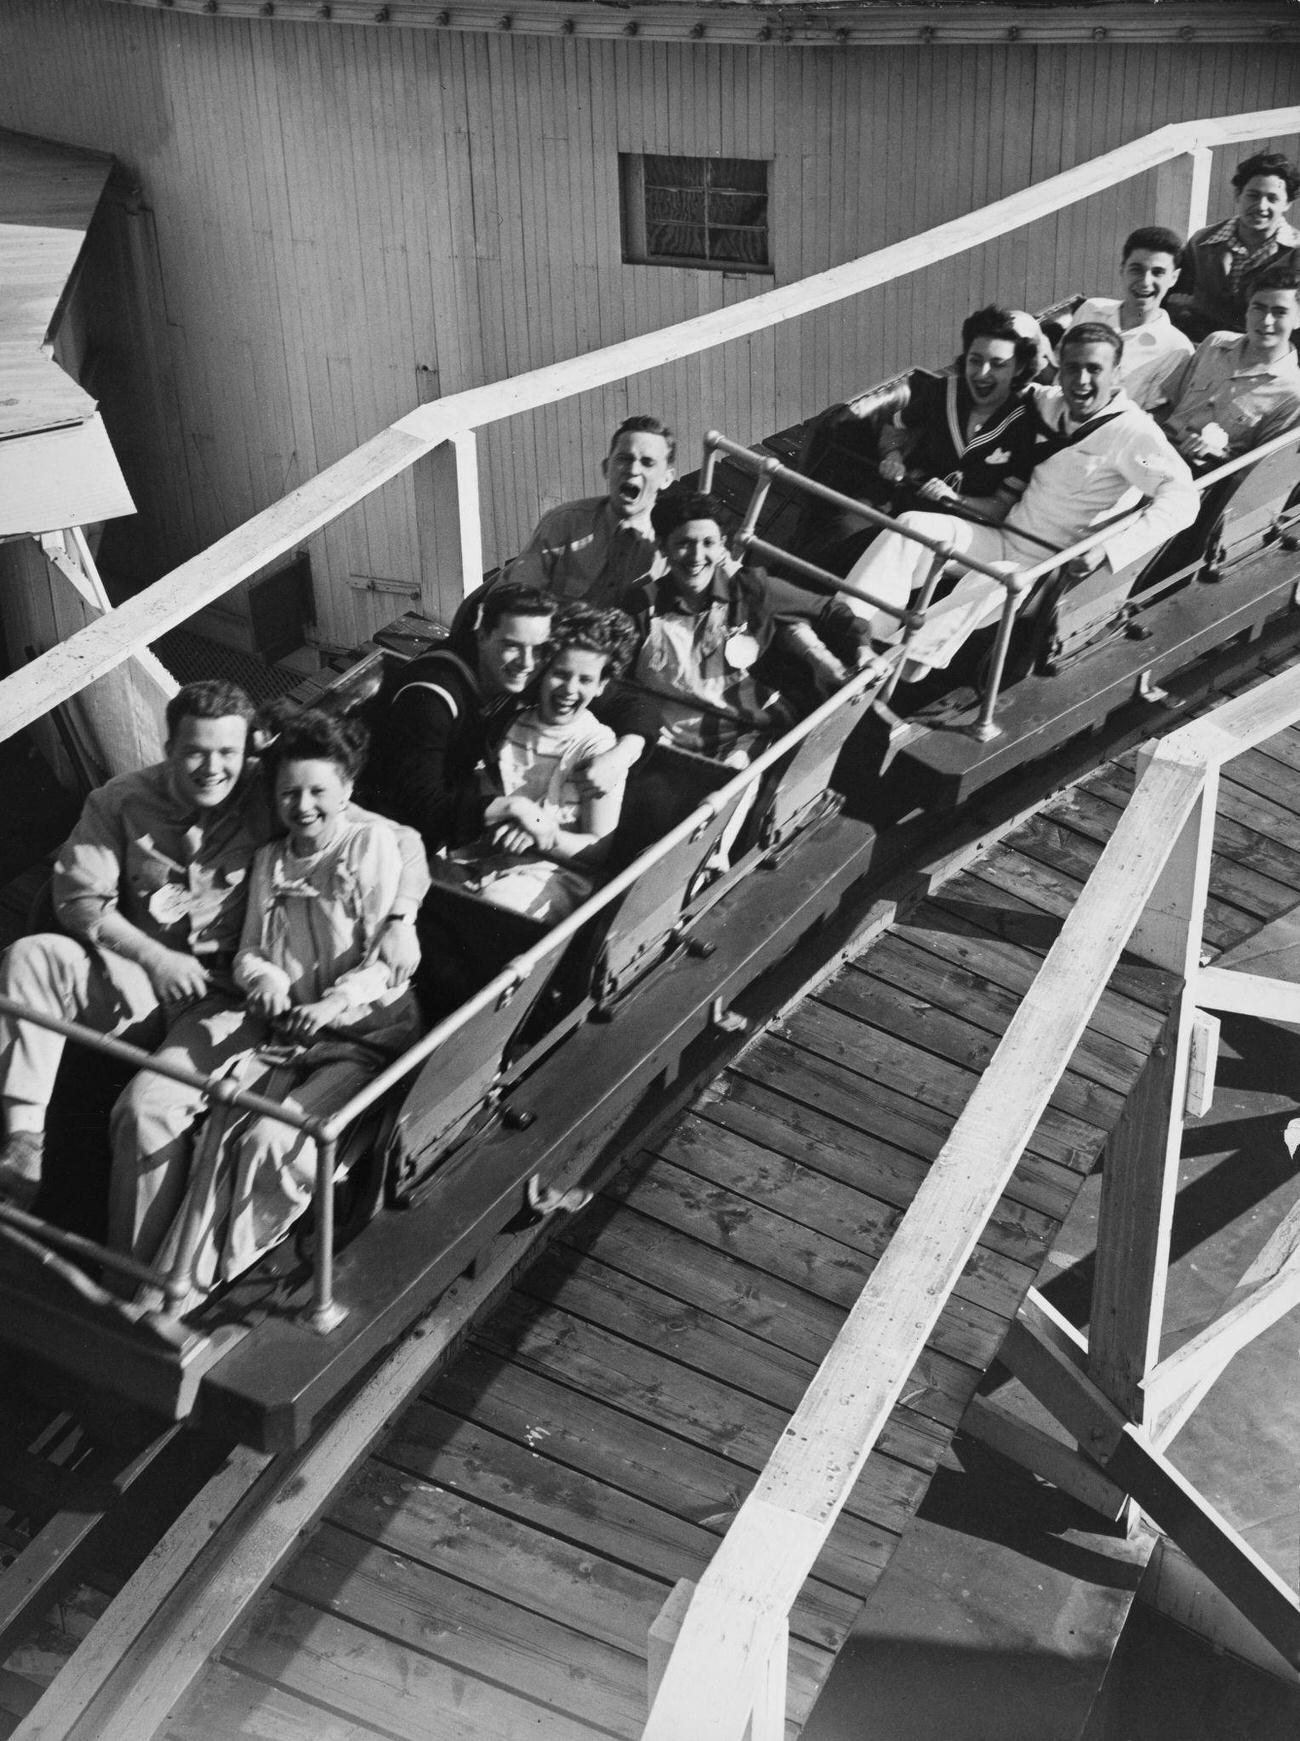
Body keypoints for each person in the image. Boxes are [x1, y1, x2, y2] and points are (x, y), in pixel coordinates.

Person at [0, 680, 424, 1212]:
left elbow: (400, 841)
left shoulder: (270, 793)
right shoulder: (119, 802)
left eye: (227, 752)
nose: (211, 768)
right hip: (142, 980)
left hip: (229, 997)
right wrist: (153, 956)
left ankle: (131, 1280)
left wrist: (401, 919)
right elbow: (77, 900)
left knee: (146, 1111)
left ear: (247, 752)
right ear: (168, 749)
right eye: (195, 752)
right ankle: (24, 1144)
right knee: (29, 958)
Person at [112, 710, 426, 1304]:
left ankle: (205, 1280)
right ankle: (162, 1288)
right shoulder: (271, 861)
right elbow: (252, 951)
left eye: (317, 792)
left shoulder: (370, 846)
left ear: (347, 791)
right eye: (289, 792)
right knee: (222, 1134)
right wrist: (266, 981)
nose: (302, 805)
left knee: (268, 1142)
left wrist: (336, 1000)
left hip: (363, 1035)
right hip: (290, 1031)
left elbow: (388, 965)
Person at [842, 324, 1198, 674]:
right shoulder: (1046, 403)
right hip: (1003, 536)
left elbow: (1181, 497)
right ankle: (851, 629)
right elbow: (990, 387)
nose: (1082, 381)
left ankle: (902, 664)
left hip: (1046, 570)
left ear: (1117, 374)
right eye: (1072, 368)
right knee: (913, 526)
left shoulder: (1134, 435)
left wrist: (1108, 551)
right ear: (1059, 369)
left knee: (995, 578)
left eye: (1094, 369)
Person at [365, 582, 652, 855]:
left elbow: (630, 704)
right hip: (384, 827)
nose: (527, 663)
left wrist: (622, 754)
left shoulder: (530, 668)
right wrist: (511, 809)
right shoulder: (431, 698)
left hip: (457, 825)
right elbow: (420, 806)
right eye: (511, 645)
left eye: (539, 649)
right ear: (482, 635)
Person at [617, 488, 879, 765]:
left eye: (708, 542)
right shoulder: (641, 606)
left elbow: (831, 610)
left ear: (722, 545)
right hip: (669, 745)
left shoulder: (751, 588)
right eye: (684, 543)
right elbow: (615, 677)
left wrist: (862, 648)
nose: (696, 555)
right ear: (662, 547)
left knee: (729, 781)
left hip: (746, 735)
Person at [432, 604, 638, 922]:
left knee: (492, 909)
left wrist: (542, 831)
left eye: (585, 680)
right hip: (485, 856)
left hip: (553, 873)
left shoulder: (596, 746)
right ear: (543, 671)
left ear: (600, 686)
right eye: (560, 674)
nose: (569, 689)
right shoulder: (510, 723)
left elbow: (597, 850)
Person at [1158, 271, 1300, 469]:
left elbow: (1260, 473)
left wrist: (1218, 454)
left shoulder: (1292, 394)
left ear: (1297, 319)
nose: (1266, 320)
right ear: (1247, 311)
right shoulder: (1215, 343)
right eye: (1258, 308)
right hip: (1153, 453)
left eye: (1279, 312)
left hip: (1199, 480)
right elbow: (1166, 404)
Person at [1168, 151, 1300, 342]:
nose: (1261, 206)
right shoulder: (1202, 242)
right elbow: (1178, 302)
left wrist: (1203, 306)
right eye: (1253, 195)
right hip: (1206, 350)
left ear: (1287, 203)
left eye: (1272, 198)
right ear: (1238, 195)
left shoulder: (1296, 252)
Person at [1065, 226, 1193, 411]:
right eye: (1136, 269)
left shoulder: (1177, 349)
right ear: (1122, 269)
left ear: (1174, 278)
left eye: (1158, 272)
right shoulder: (1091, 310)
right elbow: (1057, 373)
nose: (1145, 281)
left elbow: (1150, 418)